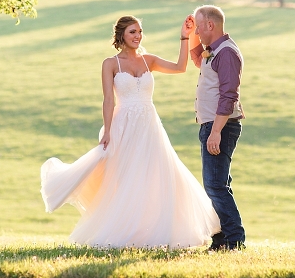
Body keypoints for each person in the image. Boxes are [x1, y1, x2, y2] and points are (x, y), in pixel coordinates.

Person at [40, 15, 220, 248]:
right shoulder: (110, 64)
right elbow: (108, 100)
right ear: (121, 35)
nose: (138, 36)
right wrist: (107, 131)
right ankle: (124, 231)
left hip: (149, 126)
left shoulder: (148, 60)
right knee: (127, 177)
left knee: (155, 175)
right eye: (132, 32)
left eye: (140, 31)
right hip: (123, 125)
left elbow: (180, 67)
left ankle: (154, 231)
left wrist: (184, 37)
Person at [190, 5, 246, 250]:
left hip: (220, 126)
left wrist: (215, 132)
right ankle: (222, 239)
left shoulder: (227, 53)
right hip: (213, 125)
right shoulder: (213, 51)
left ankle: (234, 240)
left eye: (199, 27)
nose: (198, 32)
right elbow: (197, 60)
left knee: (215, 186)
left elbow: (229, 96)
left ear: (210, 25)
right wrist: (187, 35)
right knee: (217, 183)